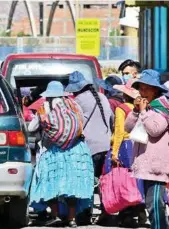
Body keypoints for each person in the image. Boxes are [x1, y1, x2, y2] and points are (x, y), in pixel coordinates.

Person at [28, 81, 94, 228]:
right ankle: (71, 219)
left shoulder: (44, 108)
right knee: (71, 185)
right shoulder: (74, 105)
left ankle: (55, 214)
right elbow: (81, 123)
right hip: (76, 150)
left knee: (49, 182)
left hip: (53, 151)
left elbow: (32, 128)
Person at [125, 69, 169, 229]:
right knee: (151, 205)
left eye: (146, 88)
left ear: (155, 90)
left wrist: (144, 112)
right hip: (145, 165)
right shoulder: (146, 109)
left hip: (157, 166)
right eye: (141, 88)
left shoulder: (163, 108)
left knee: (155, 205)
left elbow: (155, 129)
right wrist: (135, 111)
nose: (142, 92)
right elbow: (128, 127)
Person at [65, 71, 114, 224]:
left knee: (87, 181)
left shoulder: (78, 100)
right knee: (102, 182)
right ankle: (106, 212)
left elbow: (74, 125)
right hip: (106, 145)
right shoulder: (103, 97)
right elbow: (111, 119)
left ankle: (84, 216)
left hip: (89, 148)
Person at [108, 79, 147, 227]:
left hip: (125, 146)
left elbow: (119, 132)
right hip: (139, 144)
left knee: (125, 181)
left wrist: (114, 153)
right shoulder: (142, 107)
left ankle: (127, 216)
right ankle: (142, 214)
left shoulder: (121, 108)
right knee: (139, 180)